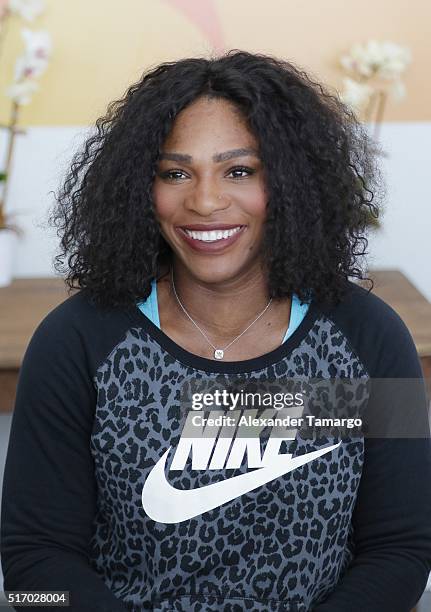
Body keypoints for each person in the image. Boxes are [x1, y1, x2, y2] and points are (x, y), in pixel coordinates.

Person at [1, 49, 431, 612]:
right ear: (140, 188)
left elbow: (401, 549)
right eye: (175, 173)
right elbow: (34, 572)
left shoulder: (366, 337)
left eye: (240, 170)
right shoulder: (78, 341)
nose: (204, 200)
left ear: (291, 184)